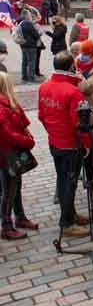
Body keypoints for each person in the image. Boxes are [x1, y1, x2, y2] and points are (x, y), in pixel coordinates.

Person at [38, 51, 92, 237]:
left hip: (55, 142)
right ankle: (66, 223)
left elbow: (41, 116)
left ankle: (70, 213)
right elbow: (79, 124)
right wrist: (87, 144)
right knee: (69, 183)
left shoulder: (44, 86)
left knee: (63, 180)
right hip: (71, 145)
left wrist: (53, 132)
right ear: (71, 67)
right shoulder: (73, 91)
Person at [0, 72, 38, 240]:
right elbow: (7, 134)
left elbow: (21, 120)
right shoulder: (2, 106)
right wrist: (27, 141)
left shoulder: (8, 102)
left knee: (15, 186)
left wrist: (25, 132)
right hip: (6, 155)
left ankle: (20, 217)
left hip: (12, 153)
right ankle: (6, 226)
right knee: (8, 190)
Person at [18, 10, 40, 83]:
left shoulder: (21, 23)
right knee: (31, 62)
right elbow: (36, 34)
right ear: (26, 15)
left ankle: (24, 76)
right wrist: (38, 32)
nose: (30, 16)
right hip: (30, 45)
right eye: (29, 14)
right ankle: (31, 78)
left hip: (23, 44)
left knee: (24, 61)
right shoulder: (28, 23)